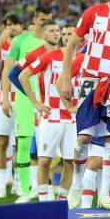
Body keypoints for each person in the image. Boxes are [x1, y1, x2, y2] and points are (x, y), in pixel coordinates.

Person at [61, 0, 110, 210]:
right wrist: (65, 77)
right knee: (83, 138)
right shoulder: (94, 13)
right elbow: (72, 44)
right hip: (91, 81)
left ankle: (104, 194)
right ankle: (76, 185)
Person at [19, 23, 77, 202]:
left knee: (70, 161)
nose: (65, 36)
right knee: (44, 160)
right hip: (51, 116)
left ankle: (62, 199)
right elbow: (22, 75)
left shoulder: (82, 58)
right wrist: (36, 103)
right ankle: (44, 199)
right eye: (64, 34)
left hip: (72, 118)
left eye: (69, 33)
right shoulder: (49, 56)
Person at [4, 7, 52, 201]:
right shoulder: (21, 41)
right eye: (42, 19)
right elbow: (9, 71)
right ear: (34, 19)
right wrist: (5, 96)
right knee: (23, 144)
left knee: (47, 147)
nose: (45, 23)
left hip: (48, 101)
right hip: (25, 101)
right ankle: (24, 189)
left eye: (48, 19)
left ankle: (43, 188)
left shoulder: (53, 44)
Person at [0, 14, 23, 198]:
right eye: (8, 25)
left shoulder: (26, 44)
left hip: (23, 99)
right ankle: (0, 183)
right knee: (1, 141)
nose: (12, 28)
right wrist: (0, 41)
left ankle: (17, 182)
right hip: (3, 97)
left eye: (15, 24)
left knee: (20, 143)